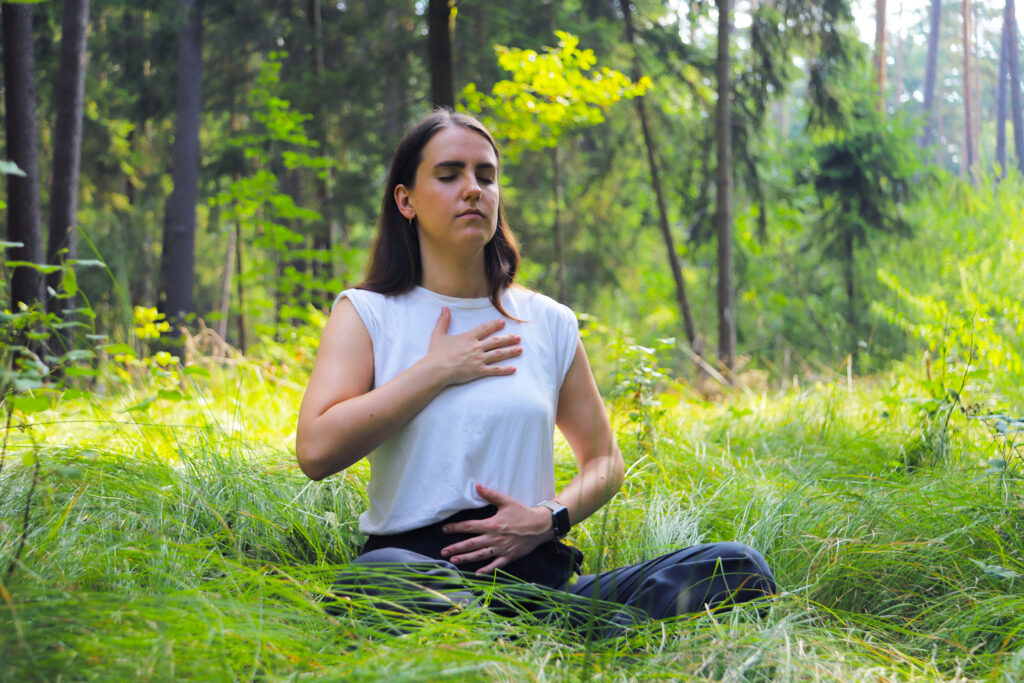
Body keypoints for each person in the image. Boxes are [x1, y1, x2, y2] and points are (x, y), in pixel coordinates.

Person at [295, 109, 775, 634]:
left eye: (486, 175)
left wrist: (547, 520)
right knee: (380, 578)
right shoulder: (367, 313)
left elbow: (604, 462)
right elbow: (317, 451)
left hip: (538, 583)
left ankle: (529, 635)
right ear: (405, 200)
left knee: (738, 566)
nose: (473, 189)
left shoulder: (546, 321)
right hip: (421, 573)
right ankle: (559, 639)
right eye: (449, 174)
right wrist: (435, 369)